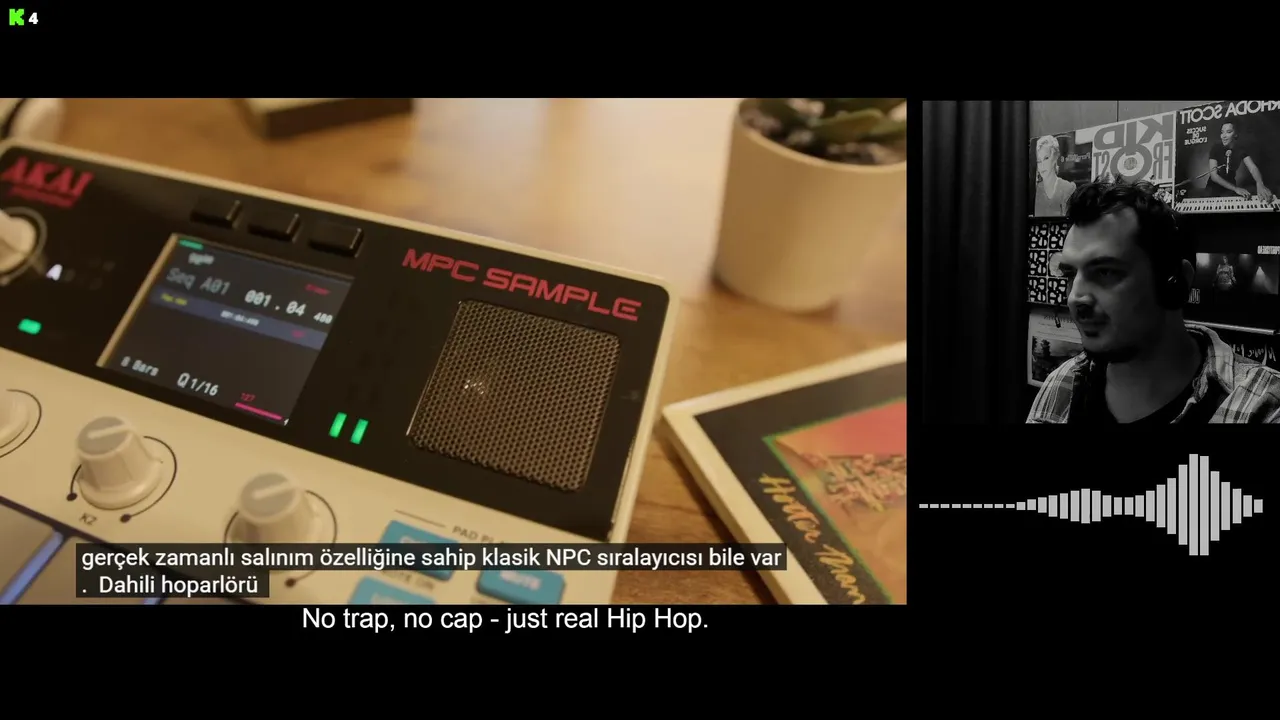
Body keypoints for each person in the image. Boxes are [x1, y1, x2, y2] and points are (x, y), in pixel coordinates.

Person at [1027, 179, 1280, 423]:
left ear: (1175, 282)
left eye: (1105, 272)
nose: (1075, 298)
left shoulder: (1262, 407)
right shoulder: (1062, 383)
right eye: (1071, 275)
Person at [1206, 121, 1274, 203]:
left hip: (1230, 188)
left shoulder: (1240, 149)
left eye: (1228, 132)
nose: (1223, 136)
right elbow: (1214, 176)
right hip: (1213, 188)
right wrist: (1235, 188)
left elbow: (1252, 168)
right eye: (1222, 132)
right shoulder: (1215, 147)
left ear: (1236, 134)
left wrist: (1260, 183)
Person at [1034, 135, 1076, 216]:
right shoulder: (1035, 191)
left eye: (1046, 158)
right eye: (1039, 161)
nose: (1042, 165)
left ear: (1055, 157)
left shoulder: (1068, 188)